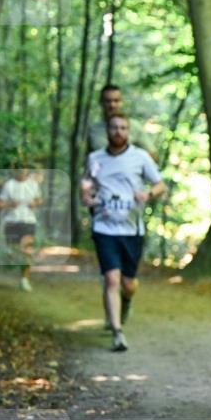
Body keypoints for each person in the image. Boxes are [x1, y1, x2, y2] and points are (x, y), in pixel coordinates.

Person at [81, 112, 165, 352]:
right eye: (114, 127)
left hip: (132, 229)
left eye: (123, 128)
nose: (118, 132)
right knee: (111, 279)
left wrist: (148, 194)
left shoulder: (140, 157)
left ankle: (126, 300)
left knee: (128, 283)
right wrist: (86, 195)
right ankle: (117, 332)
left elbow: (160, 184)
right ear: (107, 131)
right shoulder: (95, 158)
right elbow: (86, 185)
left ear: (129, 132)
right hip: (104, 226)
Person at [88, 85, 159, 162]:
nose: (112, 105)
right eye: (107, 101)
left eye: (116, 100)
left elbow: (154, 156)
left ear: (121, 102)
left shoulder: (134, 126)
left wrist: (130, 162)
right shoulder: (93, 130)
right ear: (101, 102)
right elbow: (88, 159)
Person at [0, 168, 42, 291]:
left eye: (24, 169)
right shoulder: (9, 185)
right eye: (19, 169)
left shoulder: (33, 184)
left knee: (27, 250)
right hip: (12, 222)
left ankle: (24, 280)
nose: (22, 171)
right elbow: (0, 204)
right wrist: (11, 205)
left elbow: (39, 200)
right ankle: (11, 261)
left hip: (29, 221)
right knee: (14, 251)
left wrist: (35, 204)